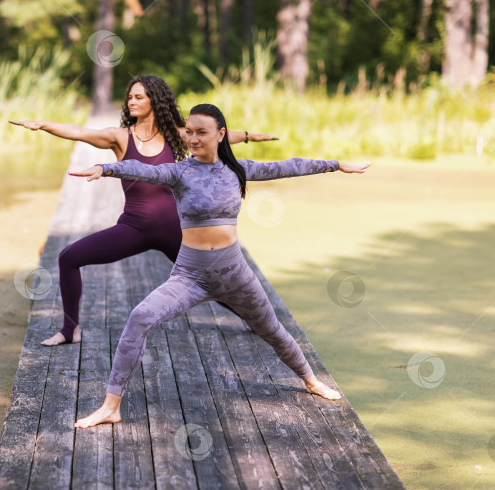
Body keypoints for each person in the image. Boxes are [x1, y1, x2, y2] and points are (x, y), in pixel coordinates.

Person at [69, 103, 371, 428]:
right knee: (140, 317)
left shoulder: (238, 169)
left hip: (235, 275)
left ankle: (311, 380)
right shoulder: (179, 171)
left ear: (221, 134)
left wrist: (337, 165)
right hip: (190, 275)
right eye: (190, 132)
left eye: (202, 132)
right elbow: (143, 169)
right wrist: (106, 168)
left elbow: (289, 166)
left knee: (271, 329)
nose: (194, 138)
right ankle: (110, 407)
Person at [10, 75, 278, 346]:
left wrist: (247, 136)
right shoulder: (120, 137)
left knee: (211, 280)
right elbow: (80, 132)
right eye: (130, 97)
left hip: (174, 228)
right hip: (134, 228)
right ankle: (70, 330)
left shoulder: (175, 133)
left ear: (155, 100)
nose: (131, 102)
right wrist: (42, 124)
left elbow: (213, 137)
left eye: (139, 97)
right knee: (68, 257)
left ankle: (257, 321)